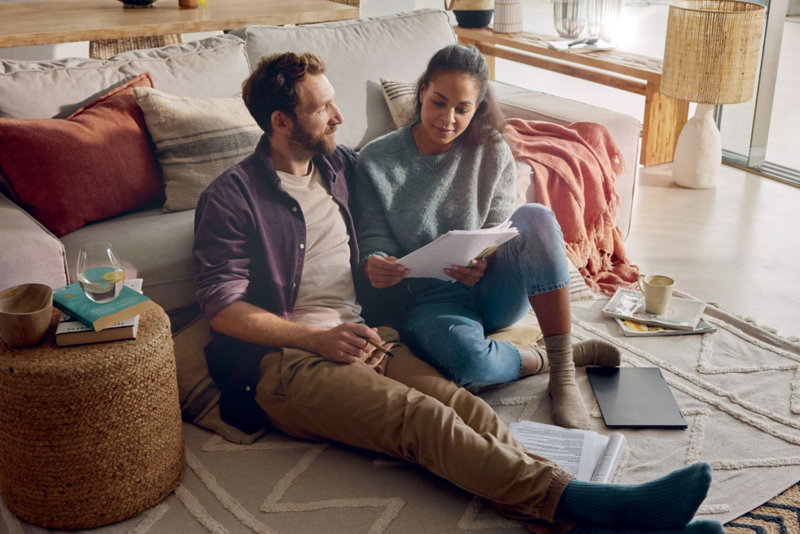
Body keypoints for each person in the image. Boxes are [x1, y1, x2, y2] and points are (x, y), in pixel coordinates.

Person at [192, 50, 723, 534]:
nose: (339, 116)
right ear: (282, 122)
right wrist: (317, 340)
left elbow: (401, 211)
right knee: (423, 420)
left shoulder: (337, 167)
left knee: (465, 406)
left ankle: (585, 520)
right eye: (324, 108)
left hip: (367, 336)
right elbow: (223, 309)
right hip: (285, 363)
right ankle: (606, 507)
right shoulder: (231, 198)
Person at [354, 44, 617, 431]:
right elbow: (372, 238)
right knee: (471, 367)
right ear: (422, 90)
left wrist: (484, 260)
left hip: (493, 290)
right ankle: (547, 358)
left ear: (477, 108)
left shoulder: (491, 148)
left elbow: (500, 228)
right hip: (429, 300)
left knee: (535, 215)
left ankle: (562, 377)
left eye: (463, 109)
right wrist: (375, 263)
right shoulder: (376, 160)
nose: (448, 119)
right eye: (439, 102)